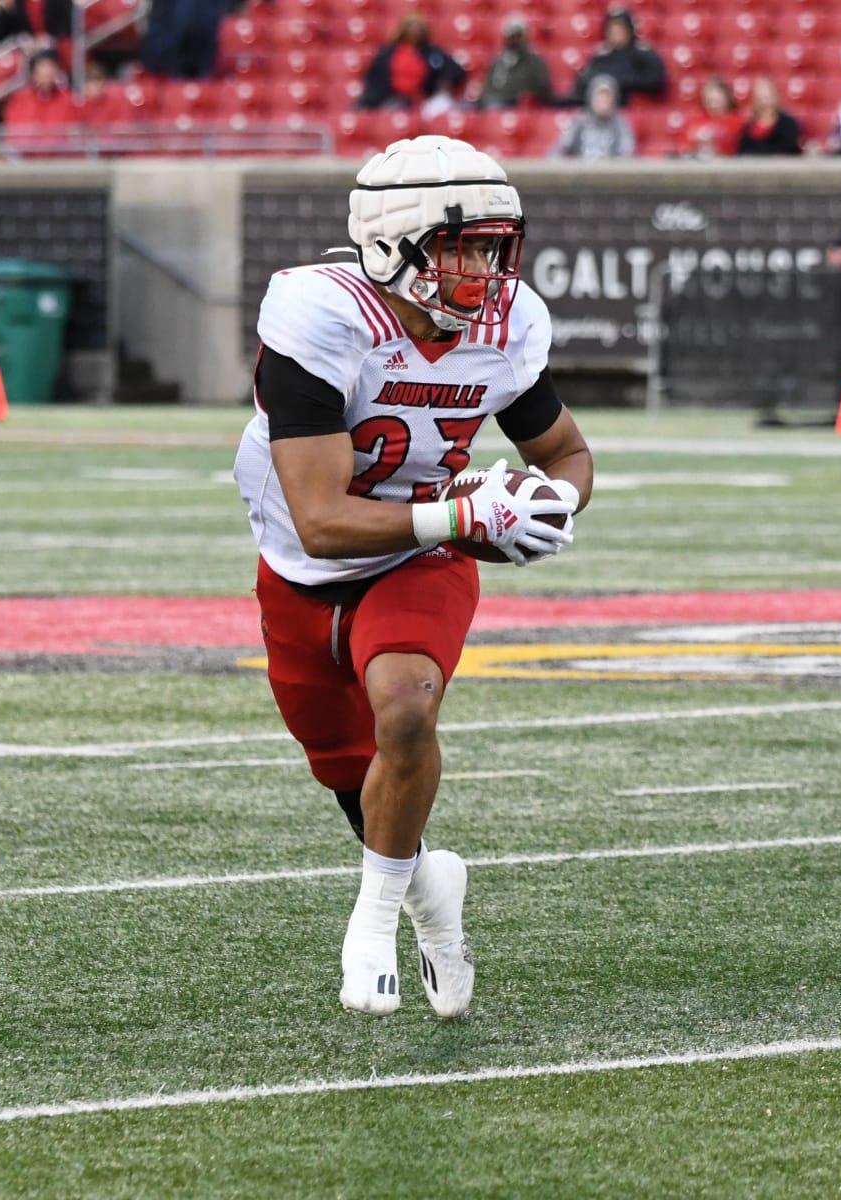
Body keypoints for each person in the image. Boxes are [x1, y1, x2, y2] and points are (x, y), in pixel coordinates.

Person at [233, 134, 593, 1018]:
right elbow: (320, 522)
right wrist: (463, 514)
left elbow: (570, 453)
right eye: (464, 246)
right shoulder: (322, 316)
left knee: (404, 707)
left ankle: (374, 917)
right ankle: (435, 897)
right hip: (306, 566)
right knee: (348, 775)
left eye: (496, 249)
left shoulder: (509, 328)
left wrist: (547, 504)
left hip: (422, 555)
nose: (485, 271)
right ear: (395, 242)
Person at [355, 11, 467, 112]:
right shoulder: (387, 54)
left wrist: (444, 83)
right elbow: (374, 80)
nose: (415, 30)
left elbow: (456, 70)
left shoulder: (433, 52)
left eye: (418, 26)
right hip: (393, 100)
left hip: (427, 101)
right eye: (411, 26)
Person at [567, 6, 665, 107]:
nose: (616, 33)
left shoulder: (643, 53)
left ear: (629, 29)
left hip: (631, 109)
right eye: (612, 29)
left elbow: (655, 81)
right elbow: (583, 81)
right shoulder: (601, 55)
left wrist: (621, 82)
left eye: (620, 28)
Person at [549, 74, 634, 160]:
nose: (603, 102)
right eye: (599, 97)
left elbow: (627, 152)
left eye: (607, 97)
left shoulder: (619, 123)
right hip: (581, 171)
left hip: (610, 171)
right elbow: (560, 149)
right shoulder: (580, 121)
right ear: (591, 98)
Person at [478, 13, 552, 109]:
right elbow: (488, 87)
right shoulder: (497, 62)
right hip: (495, 101)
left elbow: (542, 87)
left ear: (525, 37)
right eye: (511, 36)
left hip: (518, 104)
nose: (514, 40)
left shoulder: (535, 61)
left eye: (518, 36)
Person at [2, 47, 74, 129]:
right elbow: (14, 130)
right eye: (43, 66)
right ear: (34, 72)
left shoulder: (67, 99)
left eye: (51, 67)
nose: (47, 72)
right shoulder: (20, 99)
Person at [676, 75, 743, 159]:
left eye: (717, 99)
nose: (713, 103)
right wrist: (694, 138)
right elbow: (683, 146)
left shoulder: (737, 121)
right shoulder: (695, 120)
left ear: (727, 98)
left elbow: (736, 146)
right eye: (710, 100)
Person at [737, 77, 802, 157]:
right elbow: (742, 152)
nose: (764, 99)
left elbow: (789, 149)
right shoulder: (748, 126)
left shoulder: (788, 124)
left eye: (767, 95)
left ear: (775, 96)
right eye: (760, 96)